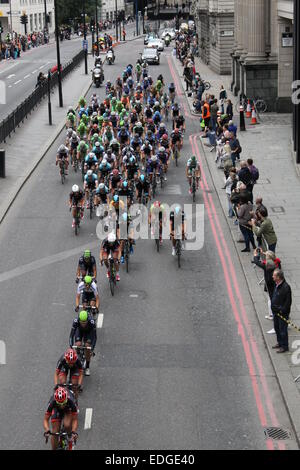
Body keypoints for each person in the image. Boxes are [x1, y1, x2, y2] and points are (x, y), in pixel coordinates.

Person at [69, 310, 97, 376]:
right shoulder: (76, 321)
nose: (83, 324)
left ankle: (87, 367)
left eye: (85, 322)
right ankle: (78, 355)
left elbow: (95, 337)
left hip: (89, 332)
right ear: (79, 320)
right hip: (79, 331)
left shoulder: (92, 322)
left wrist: (92, 349)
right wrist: (71, 346)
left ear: (88, 320)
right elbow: (71, 335)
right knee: (78, 344)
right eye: (82, 322)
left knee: (87, 347)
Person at [271, 269, 292, 353]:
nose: (272, 277)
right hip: (276, 312)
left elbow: (288, 302)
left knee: (283, 330)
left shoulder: (286, 287)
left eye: (274, 275)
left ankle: (284, 346)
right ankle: (280, 343)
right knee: (277, 328)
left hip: (282, 314)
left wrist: (281, 310)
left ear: (278, 277)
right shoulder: (276, 284)